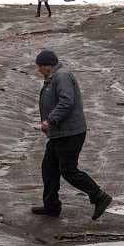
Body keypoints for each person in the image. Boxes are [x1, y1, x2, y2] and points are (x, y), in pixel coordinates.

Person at [31, 49, 111, 220]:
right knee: (49, 168)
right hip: (59, 133)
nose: (39, 70)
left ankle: (99, 196)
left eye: (40, 66)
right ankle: (51, 206)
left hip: (70, 133)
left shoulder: (61, 76)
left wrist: (50, 120)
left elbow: (67, 101)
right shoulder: (54, 77)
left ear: (48, 65)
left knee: (68, 170)